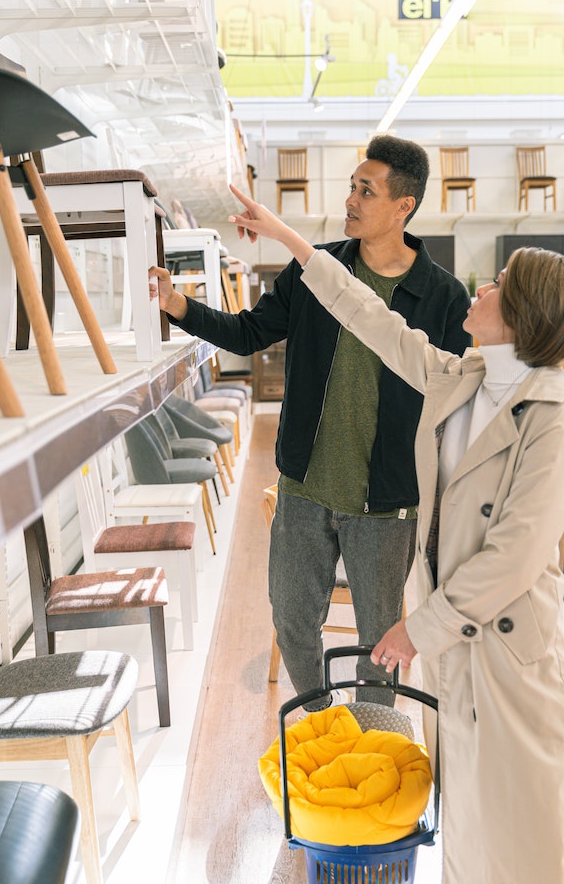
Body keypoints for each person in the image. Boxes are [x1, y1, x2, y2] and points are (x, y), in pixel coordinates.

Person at [224, 183, 564, 884]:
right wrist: (292, 242)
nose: (482, 288)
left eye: (502, 284)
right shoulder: (464, 379)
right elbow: (370, 317)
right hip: (460, 640)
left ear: (525, 314)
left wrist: (416, 628)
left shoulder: (553, 413)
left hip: (511, 650)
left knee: (530, 824)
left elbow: (515, 552)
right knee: (473, 820)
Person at [149, 135, 471, 709]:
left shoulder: (442, 295)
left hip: (388, 502)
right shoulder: (312, 271)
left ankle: (373, 744)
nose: (350, 199)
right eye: (351, 185)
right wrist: (178, 306)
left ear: (404, 205)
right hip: (305, 488)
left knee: (380, 644)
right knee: (294, 624)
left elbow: (457, 399)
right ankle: (325, 725)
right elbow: (248, 333)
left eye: (365, 191)